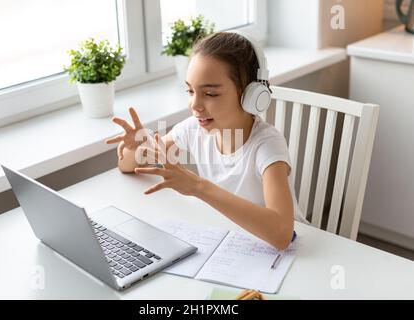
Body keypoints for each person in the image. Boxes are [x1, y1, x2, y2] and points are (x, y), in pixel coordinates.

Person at [105, 32, 305, 251]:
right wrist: (136, 148)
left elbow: (282, 235)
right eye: (190, 90)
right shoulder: (194, 128)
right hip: (233, 242)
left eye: (210, 93)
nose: (195, 105)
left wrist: (198, 187)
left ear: (251, 94)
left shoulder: (267, 145)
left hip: (292, 256)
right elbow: (129, 166)